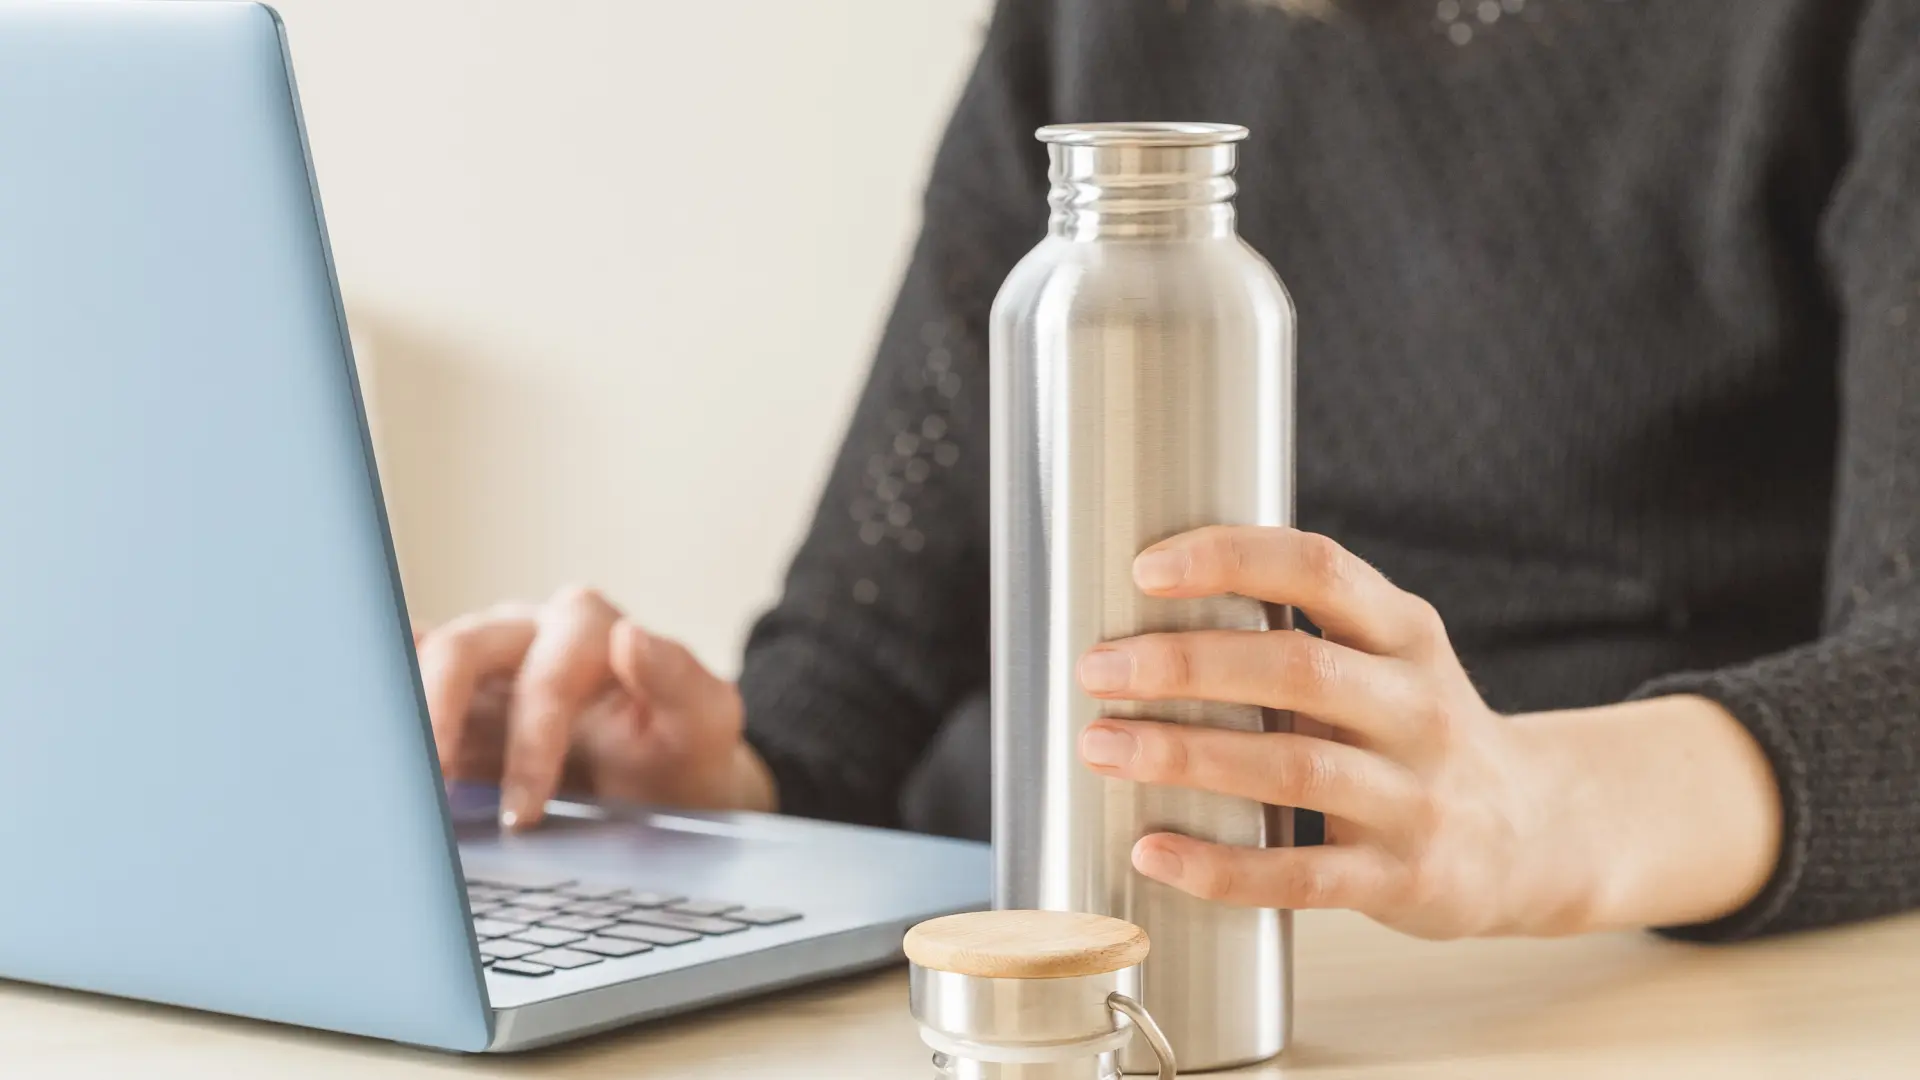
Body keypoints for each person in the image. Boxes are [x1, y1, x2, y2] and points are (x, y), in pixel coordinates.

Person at [413, 0, 1920, 943]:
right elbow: (864, 666)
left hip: (1551, 985)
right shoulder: (1083, 29)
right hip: (1030, 967)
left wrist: (1537, 813)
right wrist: (698, 788)